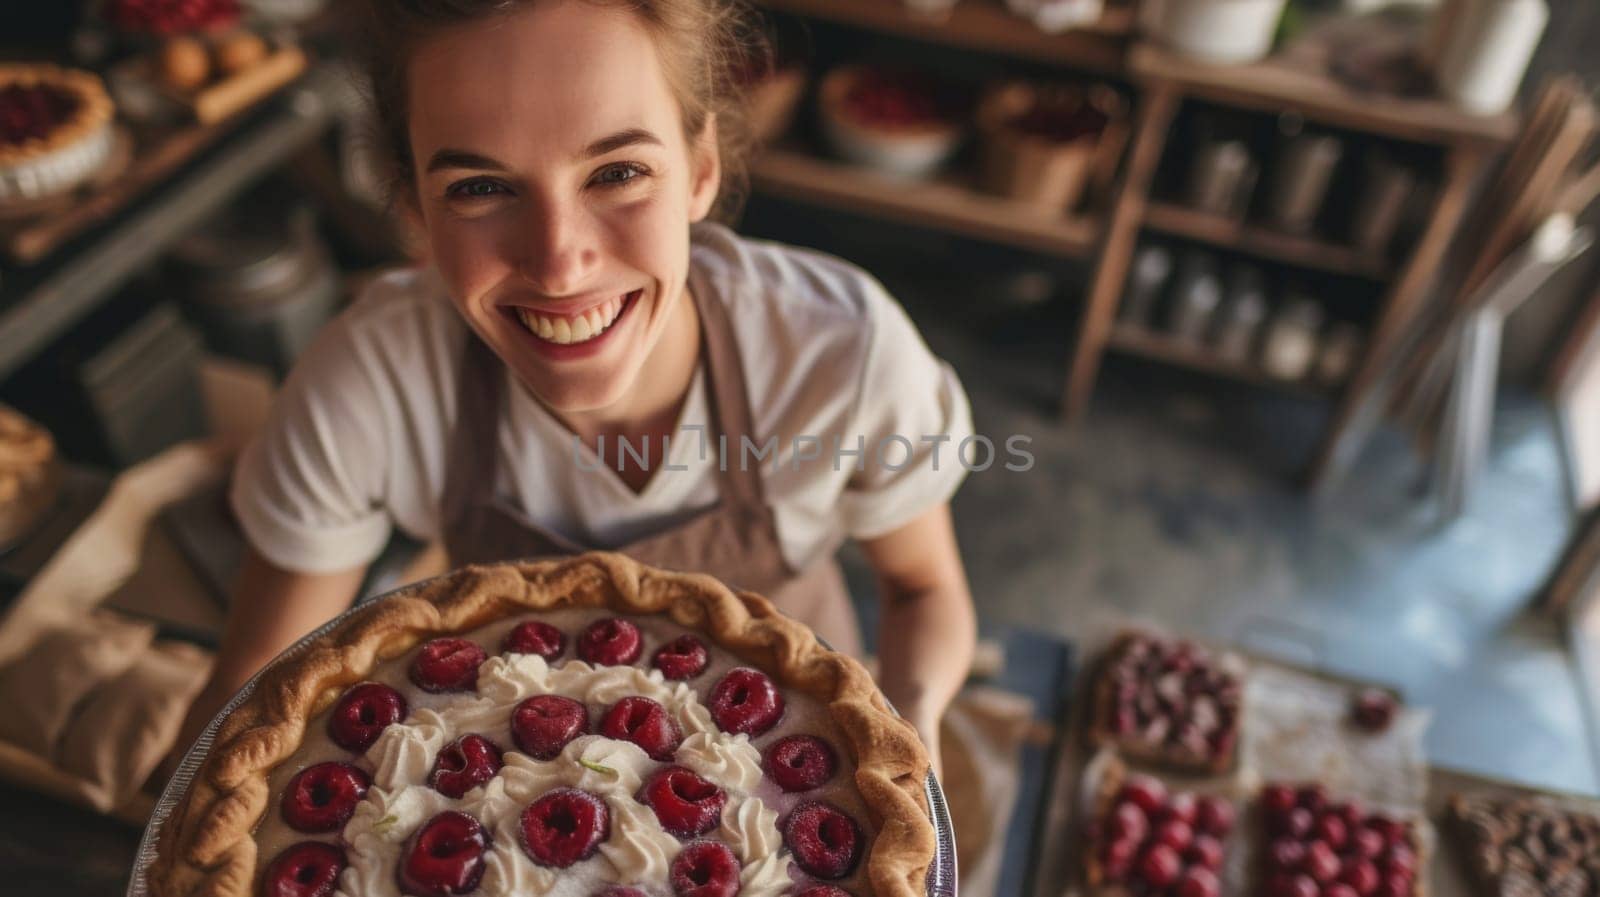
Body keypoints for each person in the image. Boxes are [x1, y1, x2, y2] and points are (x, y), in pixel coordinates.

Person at [172, 0, 977, 775]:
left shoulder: (837, 353)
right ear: (415, 202)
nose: (559, 262)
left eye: (618, 171)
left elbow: (922, 587)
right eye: (480, 187)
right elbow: (255, 699)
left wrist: (912, 730)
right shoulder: (371, 384)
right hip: (515, 781)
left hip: (799, 769)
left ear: (700, 168)